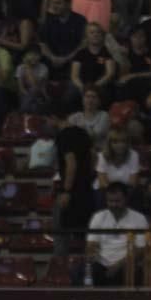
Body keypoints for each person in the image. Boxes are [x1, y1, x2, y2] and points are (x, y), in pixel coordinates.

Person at [83, 182, 147, 286]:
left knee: (133, 273)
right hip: (101, 264)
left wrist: (118, 266)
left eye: (117, 201)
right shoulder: (98, 217)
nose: (113, 205)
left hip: (126, 265)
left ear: (126, 199)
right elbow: (91, 243)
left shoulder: (139, 218)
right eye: (110, 201)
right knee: (81, 272)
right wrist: (91, 252)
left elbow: (140, 250)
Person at [53, 109, 96, 256]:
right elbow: (93, 156)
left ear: (53, 118)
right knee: (85, 234)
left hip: (72, 191)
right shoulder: (82, 133)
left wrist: (67, 191)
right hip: (87, 188)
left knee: (61, 232)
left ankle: (60, 267)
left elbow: (71, 163)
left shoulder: (63, 136)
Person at [38, 0, 87, 80]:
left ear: (68, 3)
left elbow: (83, 44)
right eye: (53, 3)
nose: (54, 6)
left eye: (58, 3)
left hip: (73, 63)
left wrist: (66, 58)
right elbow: (43, 44)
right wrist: (52, 57)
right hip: (51, 62)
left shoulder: (80, 21)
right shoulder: (48, 22)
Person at [68, 87, 110, 152]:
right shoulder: (75, 117)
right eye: (87, 96)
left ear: (99, 101)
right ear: (83, 99)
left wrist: (79, 129)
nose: (90, 100)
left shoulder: (104, 115)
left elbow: (95, 135)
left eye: (94, 97)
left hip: (98, 152)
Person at [16, 46, 49, 114]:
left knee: (33, 90)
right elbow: (21, 88)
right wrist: (28, 96)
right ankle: (25, 108)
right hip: (25, 95)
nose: (34, 57)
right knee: (33, 107)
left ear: (40, 56)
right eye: (31, 55)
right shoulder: (20, 67)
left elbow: (35, 86)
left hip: (40, 94)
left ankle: (22, 110)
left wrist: (28, 68)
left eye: (36, 55)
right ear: (25, 56)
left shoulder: (43, 68)